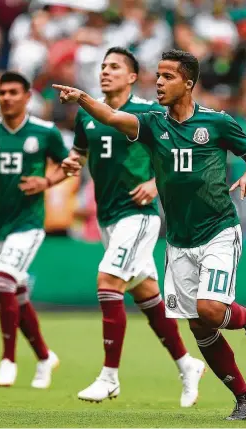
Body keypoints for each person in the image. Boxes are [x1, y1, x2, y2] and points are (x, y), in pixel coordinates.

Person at [54, 49, 246, 420]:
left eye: (168, 76)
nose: (158, 82)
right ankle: (244, 398)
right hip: (180, 240)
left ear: (188, 83)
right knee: (200, 324)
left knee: (210, 309)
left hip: (219, 229)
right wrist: (83, 99)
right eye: (157, 75)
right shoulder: (153, 123)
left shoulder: (216, 123)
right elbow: (110, 115)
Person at [64, 47, 205, 406]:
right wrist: (72, 162)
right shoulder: (89, 115)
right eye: (103, 66)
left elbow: (181, 154)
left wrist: (157, 183)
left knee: (108, 280)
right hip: (108, 217)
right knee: (146, 295)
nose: (106, 72)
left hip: (138, 215)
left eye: (115, 67)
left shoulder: (150, 112)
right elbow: (80, 152)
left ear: (131, 77)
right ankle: (187, 363)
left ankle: (109, 377)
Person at [0, 71, 69, 388]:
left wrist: (46, 181)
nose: (6, 97)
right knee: (15, 295)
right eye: (2, 93)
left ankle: (8, 359)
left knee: (5, 278)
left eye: (13, 92)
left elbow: (68, 164)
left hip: (29, 222)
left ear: (27, 97)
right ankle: (44, 357)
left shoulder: (45, 132)